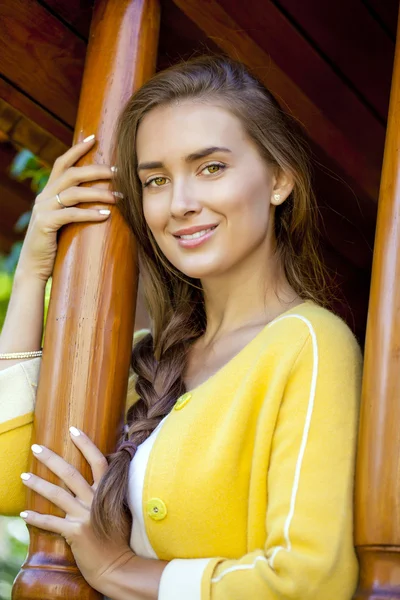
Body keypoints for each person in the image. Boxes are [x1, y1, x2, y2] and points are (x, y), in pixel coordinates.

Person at [0, 55, 363, 599]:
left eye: (210, 167)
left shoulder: (310, 344)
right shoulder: (150, 359)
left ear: (279, 180)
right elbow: (12, 482)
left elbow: (309, 578)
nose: (180, 204)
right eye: (157, 180)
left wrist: (121, 568)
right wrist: (32, 271)